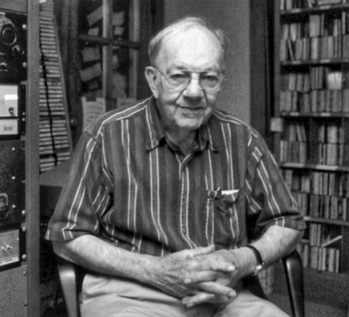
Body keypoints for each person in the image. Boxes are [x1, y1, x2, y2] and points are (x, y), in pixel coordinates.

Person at [46, 16, 306, 317]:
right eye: (179, 76)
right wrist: (156, 270)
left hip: (224, 294)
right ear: (154, 80)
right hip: (131, 292)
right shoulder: (108, 135)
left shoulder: (242, 140)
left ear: (221, 79)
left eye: (208, 78)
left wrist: (245, 259)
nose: (195, 92)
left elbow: (288, 221)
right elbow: (67, 235)